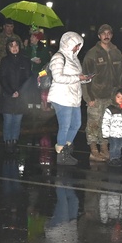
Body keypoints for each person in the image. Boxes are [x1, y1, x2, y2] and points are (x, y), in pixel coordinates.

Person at [82, 24, 122, 162]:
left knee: (107, 124)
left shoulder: (116, 52)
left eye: (108, 33)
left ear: (112, 35)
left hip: (111, 96)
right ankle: (93, 150)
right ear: (99, 36)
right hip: (95, 96)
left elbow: (121, 76)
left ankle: (104, 148)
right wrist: (88, 97)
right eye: (103, 33)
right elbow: (85, 77)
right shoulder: (92, 54)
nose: (106, 36)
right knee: (93, 124)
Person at [47, 31, 91, 165]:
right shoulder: (58, 57)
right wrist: (78, 78)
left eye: (79, 45)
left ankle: (65, 148)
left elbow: (77, 77)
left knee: (76, 124)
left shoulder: (74, 59)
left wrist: (85, 79)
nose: (78, 48)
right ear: (68, 43)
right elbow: (58, 77)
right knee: (65, 126)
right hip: (61, 96)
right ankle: (61, 153)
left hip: (74, 97)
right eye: (76, 45)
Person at [0, 34, 33, 148]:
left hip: (21, 95)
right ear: (8, 47)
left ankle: (14, 141)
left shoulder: (25, 60)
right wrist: (11, 91)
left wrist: (20, 91)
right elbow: (2, 78)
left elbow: (28, 77)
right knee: (8, 120)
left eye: (16, 45)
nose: (14, 48)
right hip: (8, 95)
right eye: (11, 46)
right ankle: (7, 141)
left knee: (17, 120)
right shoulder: (5, 60)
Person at [101, 88, 122, 167]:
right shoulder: (110, 109)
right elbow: (106, 122)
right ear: (114, 97)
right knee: (114, 145)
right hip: (113, 133)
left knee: (119, 145)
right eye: (118, 97)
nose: (120, 100)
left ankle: (117, 158)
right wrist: (105, 133)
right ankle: (113, 158)